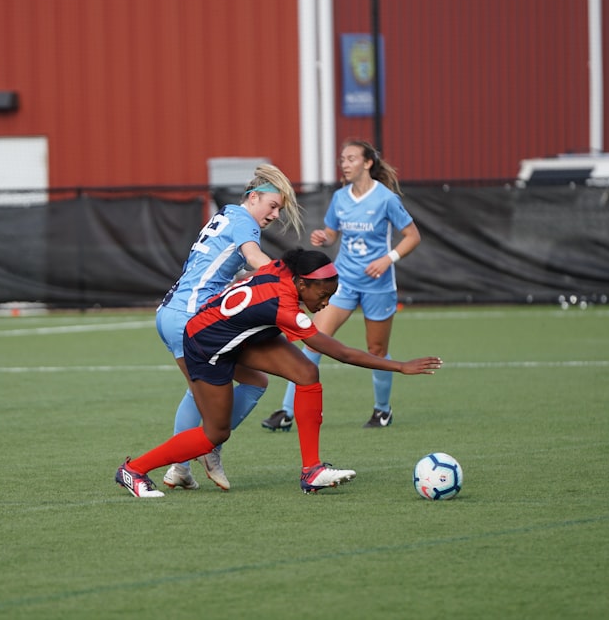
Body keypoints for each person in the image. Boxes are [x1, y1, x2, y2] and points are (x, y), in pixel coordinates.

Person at [116, 248, 442, 498]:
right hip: (206, 346)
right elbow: (339, 352)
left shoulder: (284, 271)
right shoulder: (285, 306)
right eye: (323, 294)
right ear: (301, 284)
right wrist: (399, 366)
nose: (326, 302)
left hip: (236, 333)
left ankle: (311, 470)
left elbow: (253, 279)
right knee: (215, 434)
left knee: (305, 373)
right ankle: (133, 470)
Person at [156, 164, 302, 492]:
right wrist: (289, 280)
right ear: (253, 197)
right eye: (273, 205)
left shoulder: (227, 214)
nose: (276, 215)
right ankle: (211, 447)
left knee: (199, 391)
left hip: (169, 313)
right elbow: (253, 256)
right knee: (255, 382)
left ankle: (180, 467)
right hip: (194, 320)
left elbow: (226, 269)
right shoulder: (245, 223)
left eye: (279, 209)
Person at [262, 139, 421, 432]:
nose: (345, 164)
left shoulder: (385, 199)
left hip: (378, 284)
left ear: (368, 163)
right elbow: (334, 234)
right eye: (342, 160)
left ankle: (382, 411)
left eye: (350, 159)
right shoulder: (340, 198)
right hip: (343, 281)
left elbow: (412, 236)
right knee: (314, 337)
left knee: (376, 349)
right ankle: (286, 411)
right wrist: (326, 237)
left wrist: (388, 259)